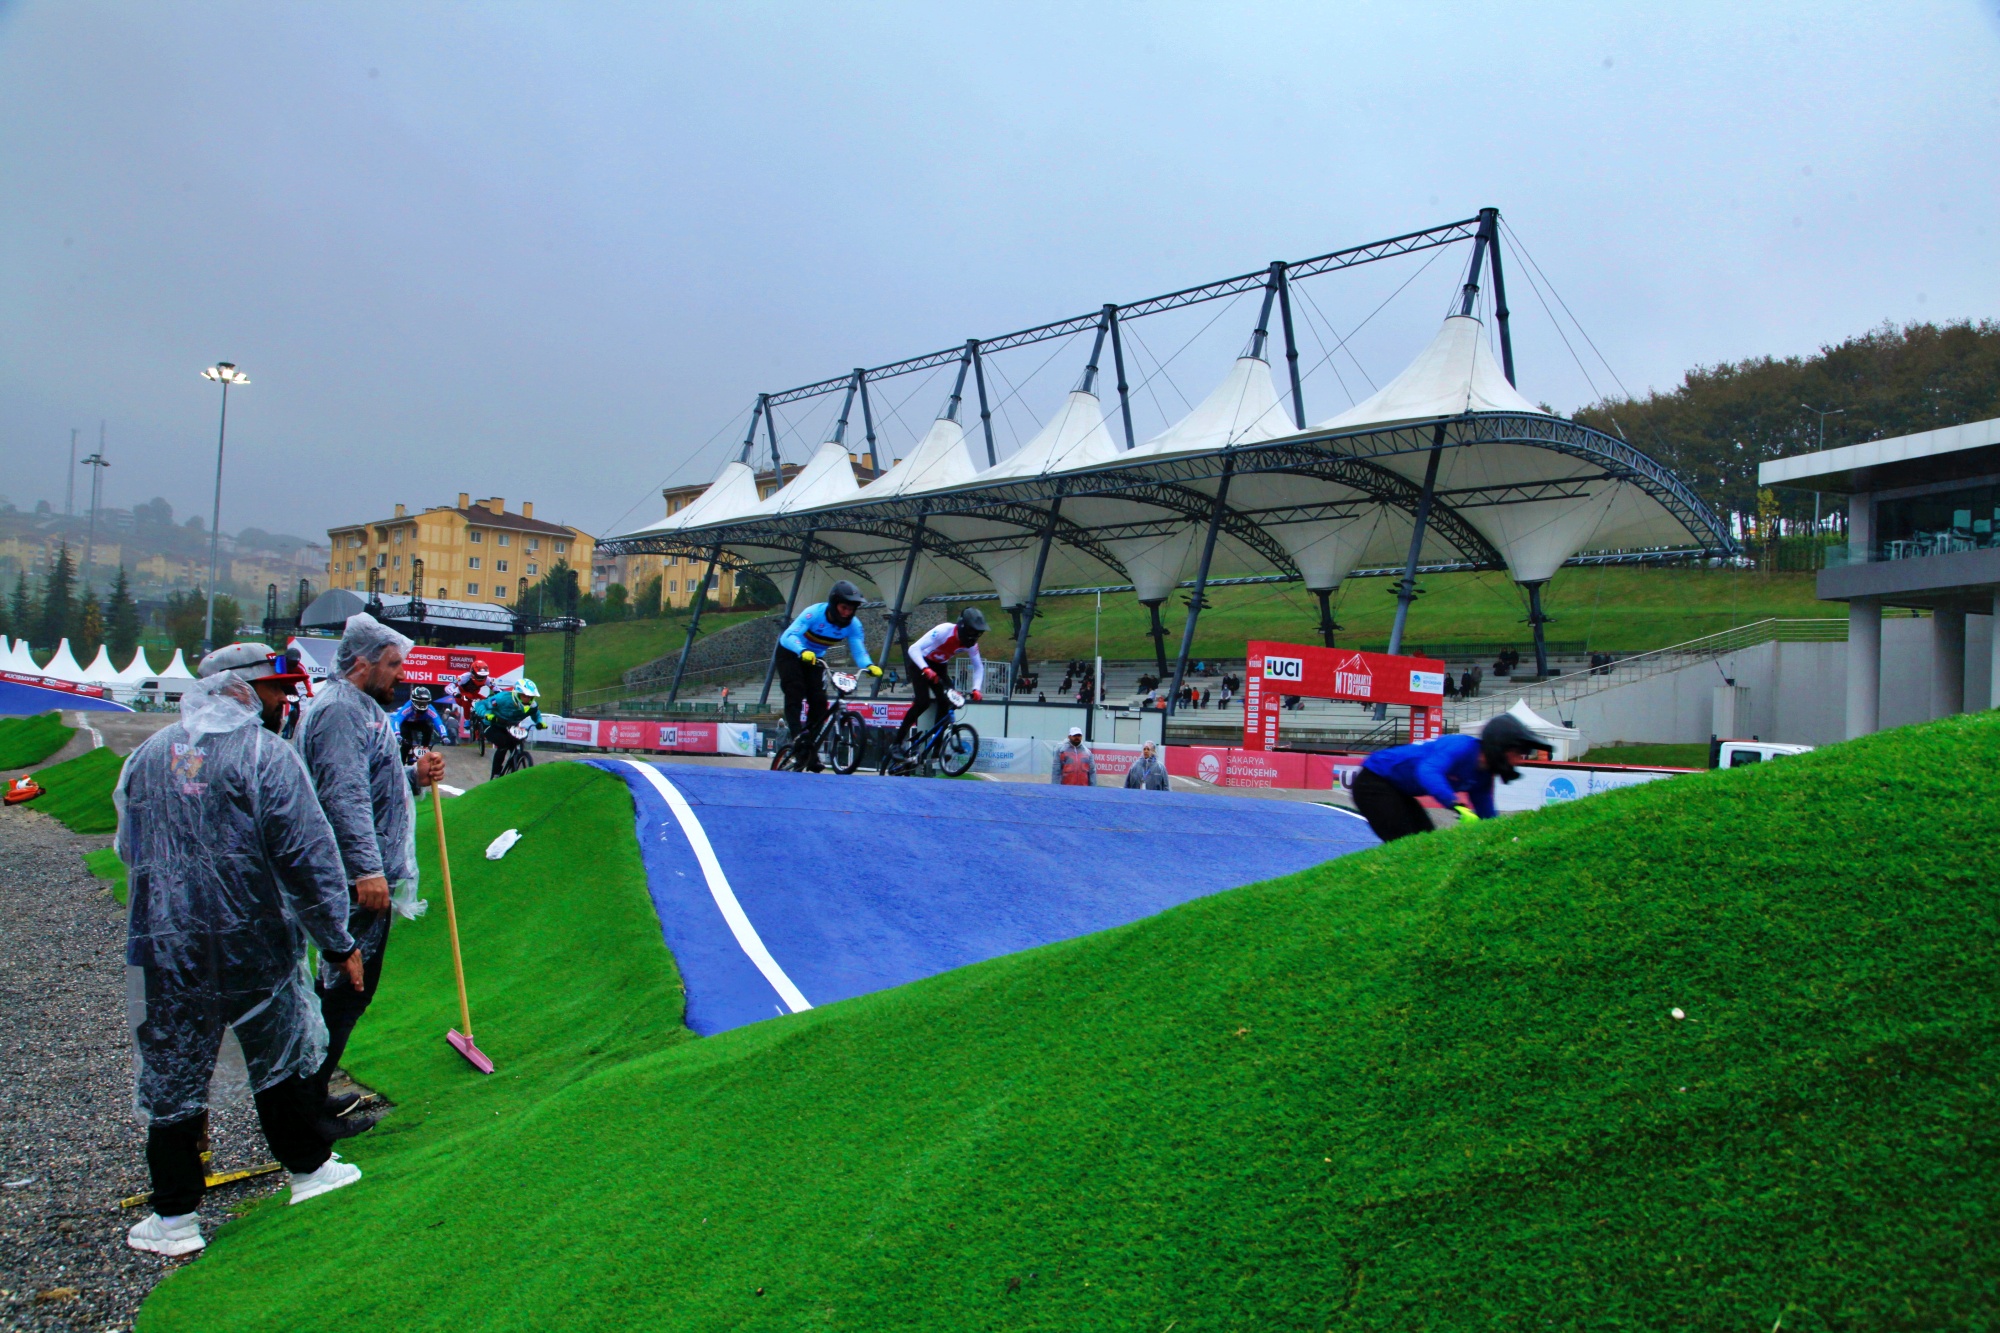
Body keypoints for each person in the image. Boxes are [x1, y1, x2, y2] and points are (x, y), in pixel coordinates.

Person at [118, 644, 365, 1257]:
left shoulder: (146, 757)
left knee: (172, 1070)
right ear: (240, 688)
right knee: (276, 1053)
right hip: (253, 940)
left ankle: (174, 1219)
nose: (285, 703)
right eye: (278, 691)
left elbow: (129, 847)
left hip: (163, 946)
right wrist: (337, 942)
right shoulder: (266, 756)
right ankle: (308, 1170)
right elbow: (309, 858)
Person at [295, 614, 445, 1141]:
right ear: (362, 663)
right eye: (393, 664)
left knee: (347, 989)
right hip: (350, 878)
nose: (401, 674)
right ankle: (306, 1113)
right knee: (343, 988)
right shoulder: (339, 712)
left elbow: (371, 784)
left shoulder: (359, 709)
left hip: (361, 872)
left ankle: (312, 1095)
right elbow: (344, 796)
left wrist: (413, 777)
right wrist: (367, 870)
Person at [1350, 714, 1548, 844]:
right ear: (1500, 747)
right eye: (1517, 754)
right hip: (1373, 782)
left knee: (1426, 840)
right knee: (1407, 842)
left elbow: (1487, 814)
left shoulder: (1483, 777)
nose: (1519, 762)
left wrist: (1507, 838)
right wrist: (1455, 803)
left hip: (1397, 790)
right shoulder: (1461, 747)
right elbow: (1427, 771)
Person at [774, 580, 882, 769]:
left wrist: (869, 665)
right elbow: (788, 636)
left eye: (852, 609)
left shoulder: (853, 625)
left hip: (815, 658)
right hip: (791, 653)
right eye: (844, 607)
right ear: (834, 603)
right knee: (795, 689)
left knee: (819, 702)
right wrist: (801, 650)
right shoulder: (814, 613)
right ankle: (797, 735)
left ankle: (807, 751)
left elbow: (858, 649)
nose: (847, 612)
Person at [894, 607, 986, 754]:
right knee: (922, 702)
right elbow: (913, 649)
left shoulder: (972, 645)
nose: (974, 637)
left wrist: (976, 689)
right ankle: (897, 743)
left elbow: (978, 667)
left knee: (947, 702)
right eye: (973, 632)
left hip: (940, 667)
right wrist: (925, 669)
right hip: (920, 663)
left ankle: (936, 748)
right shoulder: (944, 631)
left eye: (978, 634)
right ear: (963, 627)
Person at [475, 677, 547, 778]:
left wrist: (539, 722)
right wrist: (486, 714)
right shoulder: (501, 699)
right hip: (492, 725)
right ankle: (495, 774)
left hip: (511, 726)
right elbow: (480, 704)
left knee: (517, 742)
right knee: (503, 744)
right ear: (517, 694)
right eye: (524, 696)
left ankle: (515, 765)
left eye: (530, 697)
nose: (527, 699)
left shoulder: (533, 706)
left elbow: (536, 714)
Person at [390, 685, 448, 764]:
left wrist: (444, 736)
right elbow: (397, 721)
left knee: (428, 729)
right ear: (413, 701)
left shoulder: (430, 709)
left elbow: (438, 722)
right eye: (419, 703)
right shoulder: (408, 707)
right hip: (406, 723)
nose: (422, 705)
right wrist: (397, 734)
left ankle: (424, 748)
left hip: (420, 723)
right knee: (406, 744)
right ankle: (402, 763)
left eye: (424, 703)